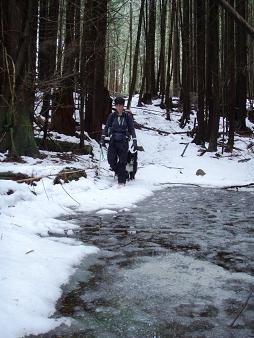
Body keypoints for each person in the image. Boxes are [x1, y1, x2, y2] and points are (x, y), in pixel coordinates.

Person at [100, 96, 138, 185]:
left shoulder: (127, 117)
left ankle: (121, 182)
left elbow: (132, 129)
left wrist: (134, 140)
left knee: (122, 161)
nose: (119, 107)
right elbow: (106, 127)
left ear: (123, 106)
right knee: (110, 159)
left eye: (121, 105)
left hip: (123, 142)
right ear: (115, 106)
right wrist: (102, 138)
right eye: (117, 105)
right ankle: (121, 172)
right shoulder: (112, 116)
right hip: (113, 141)